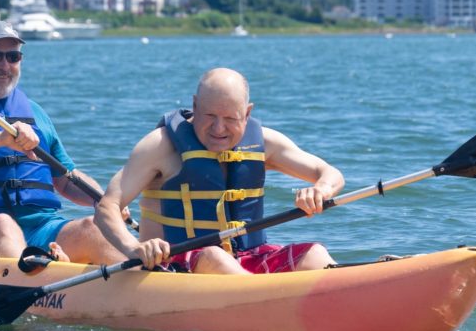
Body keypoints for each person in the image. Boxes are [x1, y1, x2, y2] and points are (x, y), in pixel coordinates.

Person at [95, 67, 345, 274]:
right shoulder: (159, 146)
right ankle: (264, 302)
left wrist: (319, 190)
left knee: (315, 254)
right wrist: (133, 248)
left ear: (247, 114)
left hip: (248, 258)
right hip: (176, 264)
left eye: (230, 119)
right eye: (210, 115)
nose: (219, 128)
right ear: (195, 105)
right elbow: (107, 207)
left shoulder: (264, 143)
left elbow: (329, 173)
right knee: (215, 257)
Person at [0, 20, 124, 264]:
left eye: (13, 56)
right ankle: (43, 272)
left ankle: (146, 287)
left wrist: (104, 202)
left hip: (40, 225)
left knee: (92, 229)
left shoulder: (35, 113)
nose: (4, 65)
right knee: (4, 226)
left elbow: (66, 179)